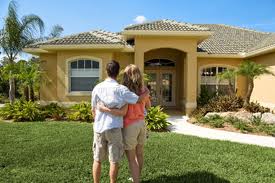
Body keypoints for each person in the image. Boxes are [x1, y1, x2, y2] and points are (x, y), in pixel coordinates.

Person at [91, 61, 149, 183]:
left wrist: (102, 111)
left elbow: (93, 110)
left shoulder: (97, 88)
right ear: (117, 73)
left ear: (106, 71)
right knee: (115, 159)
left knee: (97, 159)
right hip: (121, 126)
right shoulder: (123, 90)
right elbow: (140, 101)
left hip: (102, 127)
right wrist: (147, 92)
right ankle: (128, 179)